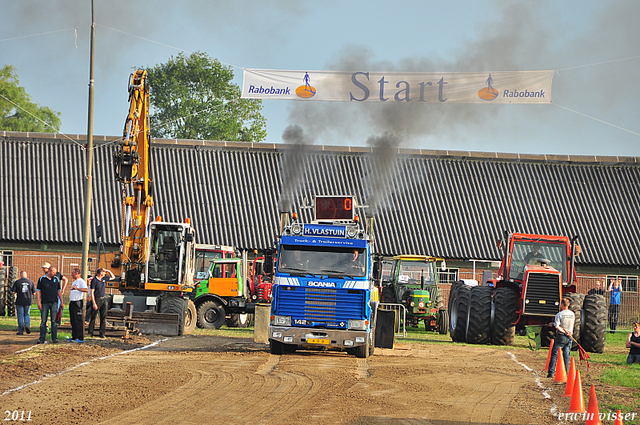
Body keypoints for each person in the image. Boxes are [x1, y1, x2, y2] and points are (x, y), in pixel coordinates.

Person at [547, 298, 575, 378]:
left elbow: (557, 326)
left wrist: (562, 331)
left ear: (562, 304)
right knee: (566, 355)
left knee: (554, 354)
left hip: (561, 336)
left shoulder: (559, 314)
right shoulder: (572, 314)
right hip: (569, 335)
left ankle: (551, 372)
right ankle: (565, 373)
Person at [36, 266, 63, 344]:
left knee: (54, 321)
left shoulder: (56, 279)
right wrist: (38, 302)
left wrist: (61, 301)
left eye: (55, 272)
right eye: (53, 272)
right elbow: (38, 291)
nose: (55, 273)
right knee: (43, 320)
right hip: (45, 302)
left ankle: (54, 337)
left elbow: (59, 291)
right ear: (49, 272)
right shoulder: (42, 279)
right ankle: (42, 338)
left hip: (54, 302)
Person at [88, 268, 115, 339]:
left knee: (103, 316)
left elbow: (113, 277)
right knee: (93, 316)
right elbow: (92, 292)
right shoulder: (94, 280)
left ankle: (102, 333)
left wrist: (108, 271)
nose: (105, 273)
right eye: (104, 272)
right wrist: (94, 303)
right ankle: (90, 332)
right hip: (97, 299)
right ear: (100, 273)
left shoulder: (104, 278)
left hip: (103, 299)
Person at [11, 271, 36, 335]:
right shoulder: (31, 282)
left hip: (19, 301)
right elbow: (34, 293)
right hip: (28, 301)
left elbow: (13, 292)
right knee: (27, 314)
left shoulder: (17, 282)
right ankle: (27, 325)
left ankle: (20, 330)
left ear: (20, 275)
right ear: (26, 275)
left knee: (20, 315)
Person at [68, 268, 88, 343]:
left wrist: (76, 288)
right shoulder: (75, 281)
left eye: (72, 273)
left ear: (76, 273)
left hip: (78, 302)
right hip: (72, 302)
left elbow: (86, 290)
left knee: (78, 320)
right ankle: (74, 336)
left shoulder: (81, 281)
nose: (71, 274)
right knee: (73, 320)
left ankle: (80, 337)